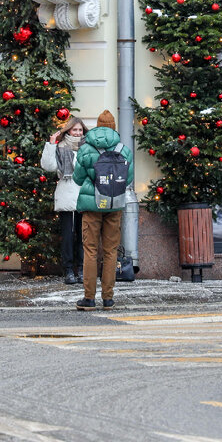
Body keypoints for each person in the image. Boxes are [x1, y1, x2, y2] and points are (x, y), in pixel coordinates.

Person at [72, 110, 133, 310]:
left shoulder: (86, 149)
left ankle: (89, 299)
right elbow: (128, 179)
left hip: (92, 205)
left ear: (98, 127)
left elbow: (78, 179)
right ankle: (108, 298)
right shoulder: (124, 150)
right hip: (114, 204)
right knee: (110, 251)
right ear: (114, 128)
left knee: (90, 251)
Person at [41, 116, 86, 285]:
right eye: (75, 129)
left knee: (83, 236)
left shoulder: (87, 147)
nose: (78, 133)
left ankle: (81, 269)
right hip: (67, 193)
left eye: (80, 130)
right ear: (68, 131)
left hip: (83, 194)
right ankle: (68, 271)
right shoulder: (60, 147)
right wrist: (51, 144)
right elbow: (49, 166)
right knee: (68, 236)